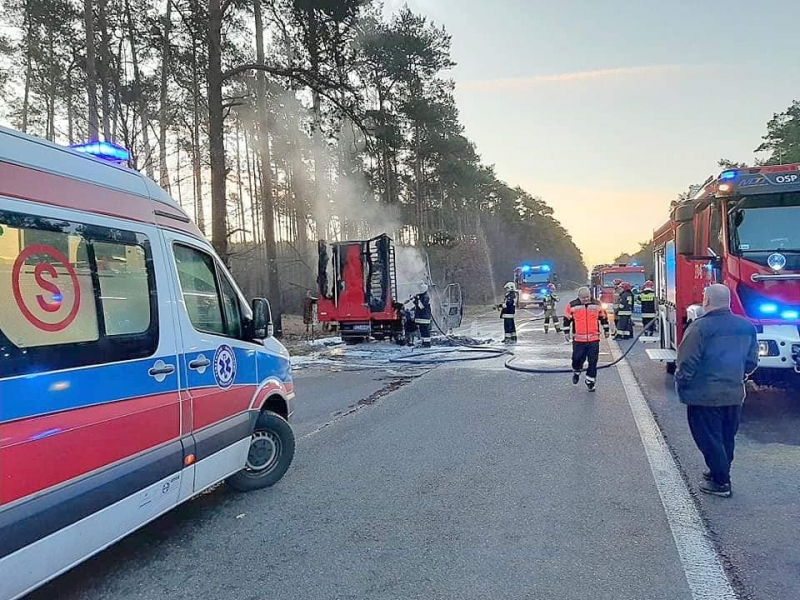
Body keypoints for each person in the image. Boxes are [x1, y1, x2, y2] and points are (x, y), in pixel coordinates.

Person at [675, 284, 758, 498]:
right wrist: (739, 375)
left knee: (708, 438)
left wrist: (682, 382)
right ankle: (718, 471)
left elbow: (686, 361)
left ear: (706, 301)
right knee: (726, 437)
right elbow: (752, 360)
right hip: (733, 394)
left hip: (704, 396)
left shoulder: (699, 328)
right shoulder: (746, 326)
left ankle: (721, 482)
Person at [563, 286, 610, 392]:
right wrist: (566, 333)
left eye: (588, 297)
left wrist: (606, 330)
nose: (586, 299)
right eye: (584, 298)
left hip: (594, 339)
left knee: (593, 361)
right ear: (579, 297)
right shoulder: (572, 305)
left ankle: (590, 381)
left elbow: (603, 318)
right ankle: (576, 371)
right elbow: (566, 319)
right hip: (579, 340)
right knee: (577, 359)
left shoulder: (597, 304)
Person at [412, 284, 432, 348]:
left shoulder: (425, 297)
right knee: (422, 330)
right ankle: (424, 342)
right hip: (421, 317)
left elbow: (421, 306)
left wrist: (417, 300)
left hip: (424, 317)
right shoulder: (422, 296)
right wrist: (414, 300)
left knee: (425, 331)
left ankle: (427, 343)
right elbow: (418, 305)